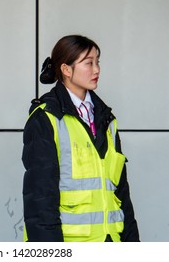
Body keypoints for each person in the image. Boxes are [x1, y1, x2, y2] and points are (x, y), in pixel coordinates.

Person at [22, 35, 140, 242]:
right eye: (89, 63)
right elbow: (40, 199)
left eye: (98, 62)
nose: (96, 70)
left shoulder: (107, 120)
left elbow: (122, 195)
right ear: (66, 69)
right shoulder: (46, 119)